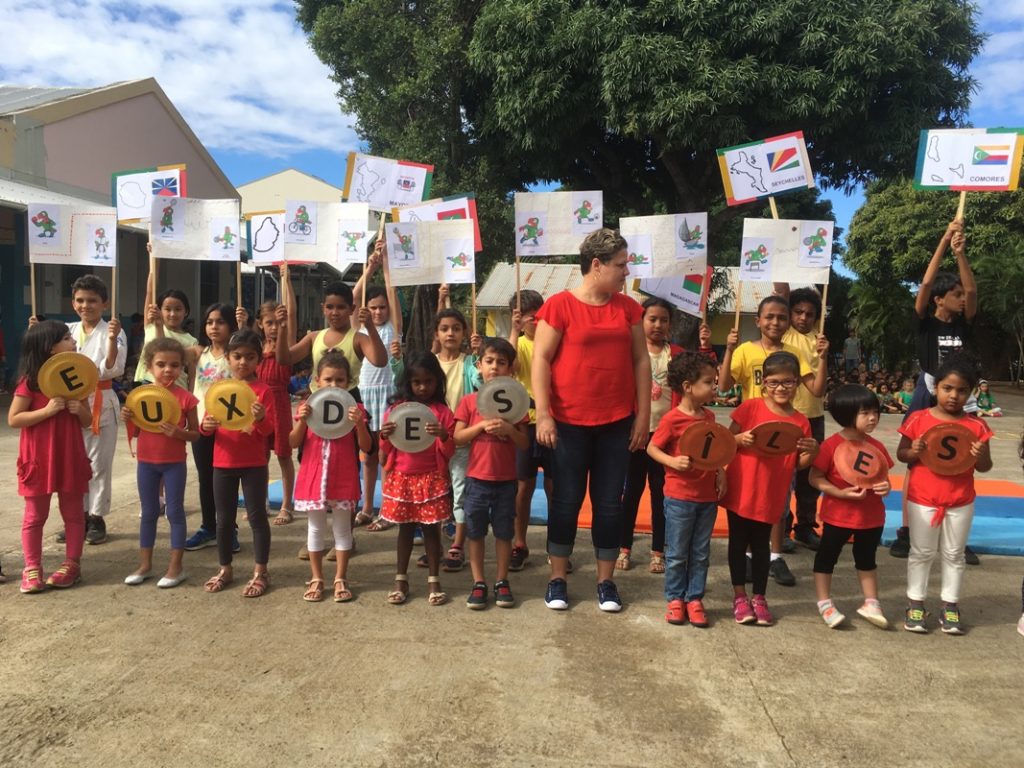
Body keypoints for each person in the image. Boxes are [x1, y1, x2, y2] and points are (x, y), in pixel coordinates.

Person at [533, 228, 651, 612]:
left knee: (609, 504)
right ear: (596, 265)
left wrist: (642, 417)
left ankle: (606, 582)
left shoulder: (628, 307)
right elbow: (541, 361)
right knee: (566, 502)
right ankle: (557, 579)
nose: (626, 272)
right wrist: (545, 415)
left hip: (617, 422)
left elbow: (640, 360)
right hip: (567, 424)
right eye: (620, 265)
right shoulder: (559, 306)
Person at [717, 295, 826, 585]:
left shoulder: (795, 351)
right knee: (749, 499)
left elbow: (816, 389)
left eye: (781, 317)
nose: (775, 322)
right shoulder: (744, 350)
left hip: (783, 436)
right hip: (752, 435)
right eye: (769, 317)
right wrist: (727, 350)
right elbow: (725, 385)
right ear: (758, 321)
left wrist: (824, 358)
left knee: (779, 500)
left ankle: (776, 556)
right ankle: (752, 556)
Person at [891, 219, 978, 562]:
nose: (960, 299)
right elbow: (926, 283)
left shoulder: (964, 324)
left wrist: (961, 254)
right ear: (939, 300)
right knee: (916, 459)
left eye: (960, 294)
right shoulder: (925, 325)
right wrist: (943, 241)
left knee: (962, 460)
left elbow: (972, 292)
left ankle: (957, 533)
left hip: (961, 397)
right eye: (953, 295)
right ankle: (908, 530)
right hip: (928, 394)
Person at [897, 352, 992, 634]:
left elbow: (985, 467)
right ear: (935, 388)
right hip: (923, 498)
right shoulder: (918, 419)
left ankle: (950, 604)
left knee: (954, 554)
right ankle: (915, 602)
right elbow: (902, 454)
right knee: (921, 552)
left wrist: (982, 454)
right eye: (947, 388)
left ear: (971, 393)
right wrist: (911, 451)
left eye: (962, 390)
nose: (953, 396)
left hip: (960, 500)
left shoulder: (977, 425)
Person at [721, 351, 817, 625]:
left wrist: (813, 451)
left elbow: (800, 463)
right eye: (774, 382)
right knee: (738, 543)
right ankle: (740, 596)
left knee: (762, 546)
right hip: (741, 488)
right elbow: (726, 441)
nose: (781, 388)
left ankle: (760, 597)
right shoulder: (749, 408)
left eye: (787, 382)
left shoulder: (801, 421)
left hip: (772, 491)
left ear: (797, 383)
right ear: (764, 382)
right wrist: (739, 438)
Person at [393, 304, 482, 570]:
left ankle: (457, 545)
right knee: (438, 496)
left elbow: (482, 385)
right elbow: (404, 382)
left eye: (456, 328)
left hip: (459, 439)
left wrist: (480, 361)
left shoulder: (469, 363)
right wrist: (396, 359)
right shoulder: (429, 364)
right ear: (436, 334)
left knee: (460, 494)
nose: (450, 333)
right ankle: (436, 547)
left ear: (465, 333)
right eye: (444, 329)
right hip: (425, 444)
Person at [9, 321, 92, 592]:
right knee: (35, 515)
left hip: (69, 453)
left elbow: (87, 420)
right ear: (50, 347)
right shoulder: (30, 382)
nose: (73, 342)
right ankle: (32, 567)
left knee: (73, 512)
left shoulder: (78, 377)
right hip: (38, 457)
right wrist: (46, 411)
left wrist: (78, 408)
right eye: (67, 338)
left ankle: (72, 564)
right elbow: (14, 418)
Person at [646, 351, 725, 628]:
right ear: (688, 387)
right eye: (708, 382)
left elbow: (715, 450)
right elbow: (652, 447)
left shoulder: (710, 416)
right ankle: (675, 598)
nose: (713, 387)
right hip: (679, 496)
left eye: (714, 382)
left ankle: (695, 598)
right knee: (678, 551)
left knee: (701, 552)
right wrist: (672, 461)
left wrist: (720, 473)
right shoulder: (672, 419)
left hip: (706, 497)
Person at [809, 384, 894, 629]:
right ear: (846, 414)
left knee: (867, 558)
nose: (873, 418)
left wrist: (885, 487)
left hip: (872, 516)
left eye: (875, 412)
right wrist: (839, 492)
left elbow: (883, 477)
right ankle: (824, 602)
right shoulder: (831, 446)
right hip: (838, 515)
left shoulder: (876, 446)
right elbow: (814, 477)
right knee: (827, 557)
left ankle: (871, 602)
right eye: (865, 413)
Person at [454, 338, 529, 609]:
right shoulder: (469, 402)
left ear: (511, 368)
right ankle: (478, 581)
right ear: (479, 365)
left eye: (501, 362)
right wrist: (480, 427)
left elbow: (524, 443)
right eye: (489, 361)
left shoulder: (517, 402)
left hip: (506, 481)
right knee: (474, 532)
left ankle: (501, 580)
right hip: (476, 479)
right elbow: (458, 437)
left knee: (503, 533)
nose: (494, 367)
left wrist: (509, 430)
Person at [291, 352, 372, 603]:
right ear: (317, 381)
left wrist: (359, 424)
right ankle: (317, 577)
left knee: (341, 528)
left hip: (343, 476)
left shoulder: (355, 409)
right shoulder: (308, 408)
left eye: (340, 380)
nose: (334, 385)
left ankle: (340, 577)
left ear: (349, 382)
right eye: (328, 379)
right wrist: (302, 421)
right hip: (313, 476)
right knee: (315, 528)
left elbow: (367, 447)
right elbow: (292, 442)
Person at [201, 329, 276, 598]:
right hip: (223, 462)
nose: (243, 362)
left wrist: (261, 418)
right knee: (224, 520)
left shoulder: (263, 390)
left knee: (257, 518)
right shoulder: (218, 389)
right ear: (228, 359)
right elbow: (207, 425)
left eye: (249, 357)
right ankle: (225, 568)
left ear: (259, 360)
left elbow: (269, 432)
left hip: (254, 463)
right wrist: (206, 426)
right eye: (237, 356)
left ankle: (261, 570)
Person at [120, 338, 199, 588]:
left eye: (175, 365)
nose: (168, 370)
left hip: (174, 462)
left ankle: (176, 567)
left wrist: (179, 433)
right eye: (161, 364)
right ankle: (145, 565)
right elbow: (135, 432)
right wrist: (127, 417)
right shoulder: (139, 396)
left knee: (174, 512)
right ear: (149, 366)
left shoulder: (186, 398)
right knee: (149, 512)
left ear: (182, 368)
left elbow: (196, 433)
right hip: (146, 462)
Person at [378, 352, 456, 606]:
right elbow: (383, 456)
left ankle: (434, 579)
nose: (423, 387)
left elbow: (449, 452)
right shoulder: (395, 410)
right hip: (402, 478)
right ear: (407, 383)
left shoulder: (442, 412)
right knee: (406, 529)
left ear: (437, 382)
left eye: (429, 381)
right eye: (417, 382)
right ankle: (401, 579)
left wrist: (444, 436)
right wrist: (384, 436)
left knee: (432, 530)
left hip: (431, 479)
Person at [56, 275, 126, 547]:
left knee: (97, 464)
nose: (86, 306)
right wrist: (36, 332)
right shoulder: (65, 330)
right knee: (74, 462)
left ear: (104, 304)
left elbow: (112, 367)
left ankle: (97, 517)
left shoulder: (114, 331)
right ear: (73, 303)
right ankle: (78, 517)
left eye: (93, 301)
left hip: (99, 398)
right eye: (81, 300)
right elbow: (47, 355)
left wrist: (110, 340)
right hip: (69, 403)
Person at [617, 298, 684, 573]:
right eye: (652, 319)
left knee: (661, 494)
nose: (658, 325)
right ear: (641, 321)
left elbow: (693, 383)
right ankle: (623, 548)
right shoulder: (629, 351)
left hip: (665, 438)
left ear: (670, 324)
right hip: (636, 434)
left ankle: (659, 551)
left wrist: (707, 346)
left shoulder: (677, 354)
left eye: (663, 320)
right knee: (630, 492)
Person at [772, 285, 830, 551]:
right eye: (798, 312)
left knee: (809, 478)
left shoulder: (821, 340)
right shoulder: (785, 334)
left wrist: (825, 355)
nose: (803, 318)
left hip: (814, 417)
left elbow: (821, 385)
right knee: (783, 477)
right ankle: (781, 529)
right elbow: (781, 293)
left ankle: (805, 527)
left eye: (810, 313)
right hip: (787, 417)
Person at [181, 304, 243, 552]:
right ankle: (208, 527)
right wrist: (153, 323)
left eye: (220, 322)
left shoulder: (237, 355)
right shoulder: (197, 353)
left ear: (231, 325)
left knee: (227, 479)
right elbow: (162, 346)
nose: (214, 327)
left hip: (230, 426)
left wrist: (245, 325)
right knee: (205, 477)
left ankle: (230, 529)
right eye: (209, 322)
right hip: (201, 424)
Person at [353, 244, 402, 530]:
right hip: (365, 395)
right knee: (368, 456)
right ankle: (368, 507)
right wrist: (368, 267)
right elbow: (354, 296)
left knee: (387, 456)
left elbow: (392, 293)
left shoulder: (394, 327)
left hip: (388, 395)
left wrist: (385, 265)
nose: (379, 311)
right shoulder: (358, 328)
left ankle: (388, 509)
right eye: (373, 307)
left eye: (382, 307)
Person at [507, 289, 551, 571]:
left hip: (552, 423)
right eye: (527, 315)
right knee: (522, 488)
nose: (534, 320)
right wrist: (513, 331)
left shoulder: (555, 343)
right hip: (524, 424)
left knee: (555, 488)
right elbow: (509, 366)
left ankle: (557, 547)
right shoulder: (518, 344)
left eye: (538, 314)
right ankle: (519, 543)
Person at [288, 279, 387, 394]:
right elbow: (286, 358)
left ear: (352, 309)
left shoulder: (358, 339)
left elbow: (380, 361)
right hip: (318, 400)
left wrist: (370, 327)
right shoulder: (314, 337)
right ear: (323, 308)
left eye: (341, 307)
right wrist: (284, 325)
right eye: (330, 307)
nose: (335, 312)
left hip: (348, 399)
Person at [255, 265, 297, 527]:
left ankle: (286, 503)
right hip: (258, 405)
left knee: (283, 455)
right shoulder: (255, 348)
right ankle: (260, 503)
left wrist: (287, 280)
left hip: (280, 404)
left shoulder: (287, 342)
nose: (272, 328)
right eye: (268, 323)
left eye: (276, 323)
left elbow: (291, 314)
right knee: (259, 456)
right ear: (260, 324)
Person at [132, 243, 196, 388]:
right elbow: (150, 290)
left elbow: (192, 376)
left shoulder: (191, 341)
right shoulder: (151, 323)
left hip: (176, 391)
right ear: (159, 310)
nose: (172, 314)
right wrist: (155, 257)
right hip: (147, 384)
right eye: (167, 309)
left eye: (178, 309)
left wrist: (191, 402)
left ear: (186, 311)